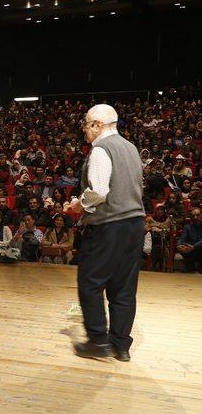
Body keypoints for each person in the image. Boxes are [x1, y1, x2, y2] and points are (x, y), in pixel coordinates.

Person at [67, 104, 145, 362]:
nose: (84, 130)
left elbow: (99, 191)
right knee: (123, 287)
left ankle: (98, 341)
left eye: (87, 124)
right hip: (135, 224)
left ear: (98, 125)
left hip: (109, 225)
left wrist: (79, 205)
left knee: (90, 282)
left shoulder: (101, 149)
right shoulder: (131, 148)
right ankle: (121, 346)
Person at [176, 208, 202, 272]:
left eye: (198, 215)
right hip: (190, 249)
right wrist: (179, 245)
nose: (195, 217)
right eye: (193, 216)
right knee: (182, 248)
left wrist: (194, 247)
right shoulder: (187, 227)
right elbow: (182, 238)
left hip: (199, 249)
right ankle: (190, 266)